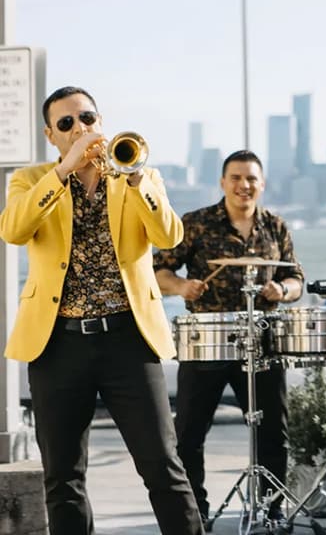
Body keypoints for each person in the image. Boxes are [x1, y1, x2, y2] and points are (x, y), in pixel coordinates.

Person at [0, 86, 203, 534]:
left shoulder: (139, 174)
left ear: (100, 121)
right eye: (67, 123)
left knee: (163, 468)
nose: (80, 128)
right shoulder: (31, 180)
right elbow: (13, 230)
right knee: (63, 477)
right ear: (50, 135)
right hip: (56, 344)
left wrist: (134, 180)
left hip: (129, 340)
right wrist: (64, 172)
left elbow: (169, 237)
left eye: (87, 118)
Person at [154, 150, 304, 525]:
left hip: (264, 340)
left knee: (273, 433)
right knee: (189, 434)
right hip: (208, 339)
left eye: (251, 178)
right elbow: (158, 271)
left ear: (262, 183)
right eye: (236, 178)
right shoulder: (196, 223)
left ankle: (270, 512)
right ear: (223, 182)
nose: (244, 185)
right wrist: (182, 287)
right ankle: (194, 515)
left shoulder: (276, 226)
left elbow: (297, 279)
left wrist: (281, 291)